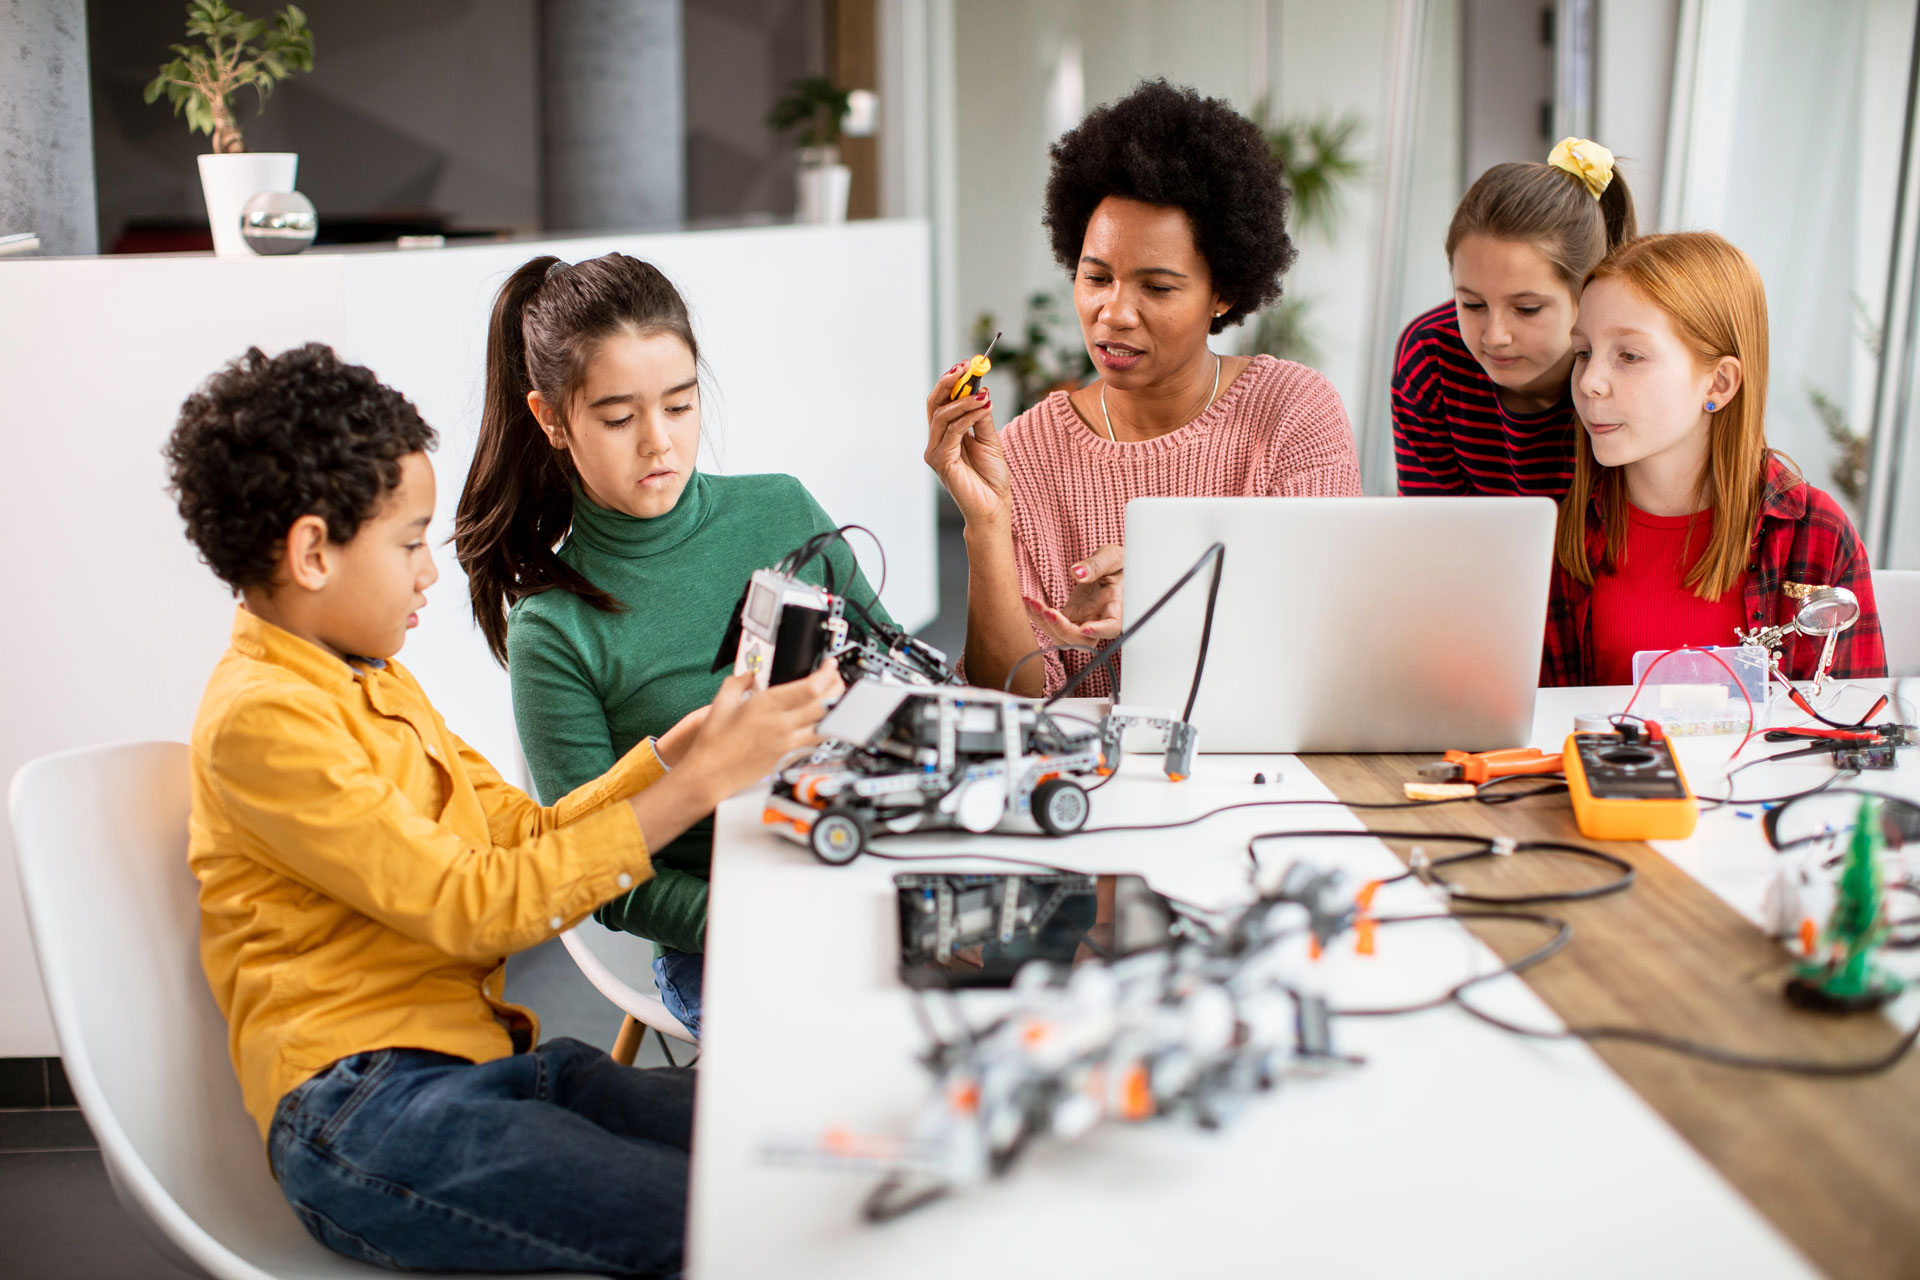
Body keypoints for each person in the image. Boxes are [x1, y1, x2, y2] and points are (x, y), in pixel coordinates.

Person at [167, 342, 839, 1275]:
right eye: (409, 544)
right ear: (314, 552)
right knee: (742, 1225)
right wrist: (696, 788)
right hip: (367, 1115)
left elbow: (522, 834)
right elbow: (474, 903)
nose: (428, 575)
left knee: (810, 1155)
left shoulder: (377, 683)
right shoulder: (262, 722)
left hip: (480, 1072)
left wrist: (675, 751)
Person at [455, 252, 888, 1038]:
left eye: (681, 407)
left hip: (861, 866)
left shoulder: (781, 509)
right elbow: (602, 878)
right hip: (721, 938)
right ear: (552, 419)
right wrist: (763, 919)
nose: (659, 443)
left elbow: (903, 685)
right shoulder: (553, 628)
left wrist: (983, 529)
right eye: (619, 419)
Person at [925, 78, 1360, 699]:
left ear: (1224, 293)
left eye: (1157, 288)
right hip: (1088, 786)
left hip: (1258, 769)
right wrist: (987, 525)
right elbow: (1013, 696)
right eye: (1095, 276)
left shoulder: (1292, 413)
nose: (1115, 312)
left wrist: (1164, 603)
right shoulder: (1025, 450)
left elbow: (1331, 636)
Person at [1540, 231, 1886, 685]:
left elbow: (1854, 734)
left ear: (1719, 384)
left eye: (1629, 355)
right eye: (1583, 353)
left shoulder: (1815, 534)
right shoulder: (1567, 530)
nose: (1589, 382)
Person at [1393, 138, 1637, 498]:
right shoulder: (1430, 354)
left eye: (1526, 309)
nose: (1495, 336)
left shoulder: (1635, 370)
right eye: (1472, 305)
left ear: (1588, 293)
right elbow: (1432, 530)